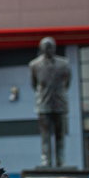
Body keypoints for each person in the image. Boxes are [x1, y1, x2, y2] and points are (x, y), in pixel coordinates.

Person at [29, 36, 72, 168]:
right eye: (46, 48)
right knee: (45, 136)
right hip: (43, 105)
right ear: (41, 49)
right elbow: (34, 85)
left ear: (54, 48)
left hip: (60, 104)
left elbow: (67, 83)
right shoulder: (34, 65)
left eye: (50, 47)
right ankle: (46, 161)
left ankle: (61, 161)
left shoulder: (64, 64)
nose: (48, 50)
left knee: (60, 135)